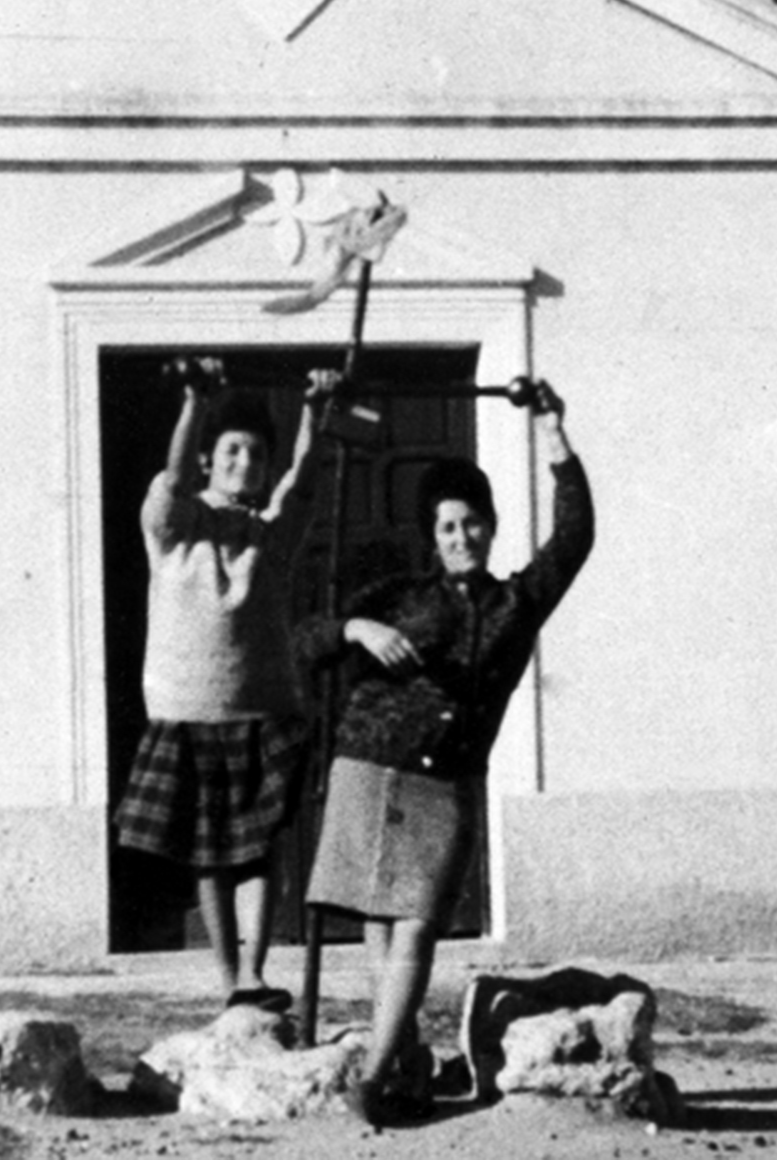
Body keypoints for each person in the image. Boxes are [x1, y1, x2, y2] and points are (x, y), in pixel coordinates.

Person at [301, 379, 592, 1125]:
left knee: (418, 924)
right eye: (447, 526)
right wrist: (354, 631)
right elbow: (301, 638)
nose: (461, 537)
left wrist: (551, 433)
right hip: (368, 766)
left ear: (491, 529)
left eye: (472, 524)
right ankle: (398, 1060)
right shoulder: (398, 592)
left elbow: (575, 536)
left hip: (444, 782)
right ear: (431, 536)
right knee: (377, 920)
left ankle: (373, 1075)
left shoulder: (515, 603)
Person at [116, 359, 340, 1012]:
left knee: (258, 846)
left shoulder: (271, 534)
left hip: (263, 709)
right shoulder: (173, 528)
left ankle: (253, 971)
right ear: (211, 461)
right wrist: (194, 403)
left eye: (256, 453)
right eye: (232, 450)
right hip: (188, 710)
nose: (245, 461)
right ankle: (226, 976)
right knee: (209, 852)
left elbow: (304, 482)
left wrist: (313, 412)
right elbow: (172, 479)